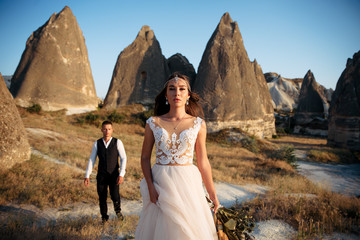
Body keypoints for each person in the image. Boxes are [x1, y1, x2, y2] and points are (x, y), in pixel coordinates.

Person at [135, 72, 220, 239]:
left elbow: (203, 162)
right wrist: (151, 187)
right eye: (172, 89)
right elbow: (145, 158)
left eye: (182, 89)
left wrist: (213, 194)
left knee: (188, 231)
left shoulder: (198, 124)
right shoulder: (153, 122)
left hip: (187, 184)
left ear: (188, 95)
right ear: (166, 94)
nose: (177, 93)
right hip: (160, 183)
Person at [84, 120, 127, 222]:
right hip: (101, 175)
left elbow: (123, 158)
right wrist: (87, 175)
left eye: (109, 129)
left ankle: (118, 214)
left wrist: (121, 174)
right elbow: (92, 159)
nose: (107, 131)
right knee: (102, 197)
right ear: (101, 130)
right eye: (105, 129)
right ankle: (104, 217)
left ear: (112, 130)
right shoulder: (97, 143)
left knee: (115, 196)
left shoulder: (117, 142)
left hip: (114, 175)